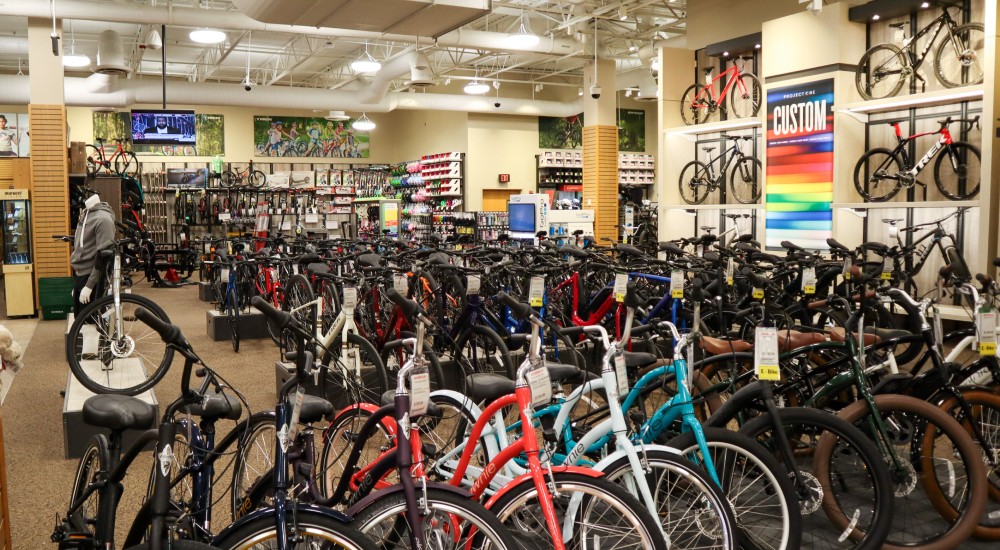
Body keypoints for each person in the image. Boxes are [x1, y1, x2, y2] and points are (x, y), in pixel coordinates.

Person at [70, 194, 116, 314]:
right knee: (80, 320)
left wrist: (90, 285)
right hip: (81, 274)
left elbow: (103, 257)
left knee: (88, 322)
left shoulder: (103, 219)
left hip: (92, 275)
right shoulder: (86, 213)